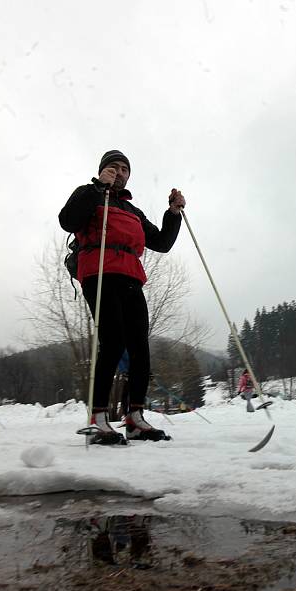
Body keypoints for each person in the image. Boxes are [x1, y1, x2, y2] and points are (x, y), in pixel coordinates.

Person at [59, 149, 185, 444]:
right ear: (103, 170)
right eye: (113, 167)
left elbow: (162, 243)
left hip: (130, 276)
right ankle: (99, 417)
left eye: (124, 169)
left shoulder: (133, 211)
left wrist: (173, 214)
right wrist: (97, 187)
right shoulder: (90, 194)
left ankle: (135, 418)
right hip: (99, 273)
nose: (119, 172)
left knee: (140, 347)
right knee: (114, 343)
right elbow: (67, 220)